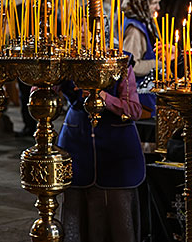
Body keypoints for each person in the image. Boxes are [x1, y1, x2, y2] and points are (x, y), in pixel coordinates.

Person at [58, 60, 145, 242]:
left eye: (86, 30)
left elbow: (134, 110)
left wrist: (104, 97)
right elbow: (41, 90)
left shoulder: (121, 62)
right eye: (77, 29)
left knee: (118, 217)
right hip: (77, 146)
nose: (81, 33)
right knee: (76, 214)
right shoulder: (65, 62)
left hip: (116, 152)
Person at [122, 0, 161, 118]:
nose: (158, 7)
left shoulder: (145, 22)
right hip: (141, 99)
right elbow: (131, 65)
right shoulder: (134, 30)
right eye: (154, 3)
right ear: (143, 3)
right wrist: (158, 63)